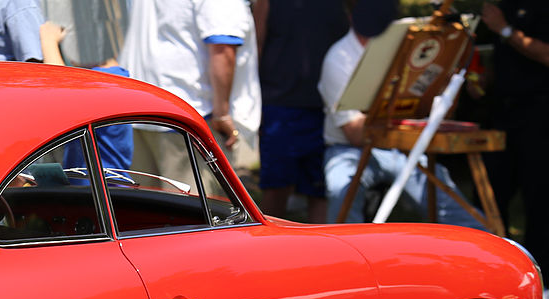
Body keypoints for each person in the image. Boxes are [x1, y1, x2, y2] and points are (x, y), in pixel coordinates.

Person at [318, 10, 482, 229]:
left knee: (451, 205)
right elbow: (354, 133)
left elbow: (425, 106)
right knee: (341, 188)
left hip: (399, 148)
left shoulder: (402, 43)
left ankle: (488, 242)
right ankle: (346, 247)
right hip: (349, 148)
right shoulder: (339, 57)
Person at [480, 1, 549, 299]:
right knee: (488, 202)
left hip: (541, 116)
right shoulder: (504, 6)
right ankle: (493, 289)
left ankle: (548, 288)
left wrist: (504, 29)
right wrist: (484, 81)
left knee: (540, 202)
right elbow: (512, 63)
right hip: (503, 115)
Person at [118, 0, 260, 170]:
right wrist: (221, 114)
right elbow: (223, 49)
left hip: (137, 106)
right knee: (196, 188)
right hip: (187, 115)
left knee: (142, 186)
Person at [251, 0, 347, 222]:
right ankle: (269, 242)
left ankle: (321, 245)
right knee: (276, 187)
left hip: (327, 104)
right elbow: (256, 46)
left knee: (321, 190)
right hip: (279, 104)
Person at [39, 22, 133, 173]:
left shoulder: (110, 81)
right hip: (85, 182)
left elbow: (60, 93)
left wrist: (48, 41)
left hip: (106, 185)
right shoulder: (100, 79)